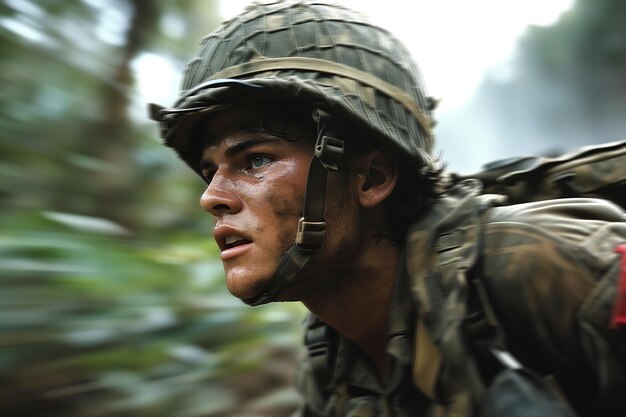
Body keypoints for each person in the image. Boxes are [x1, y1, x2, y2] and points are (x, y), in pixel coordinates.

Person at [149, 1, 626, 416]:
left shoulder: (545, 265)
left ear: (372, 179)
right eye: (210, 171)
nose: (212, 196)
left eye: (254, 160)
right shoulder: (332, 358)